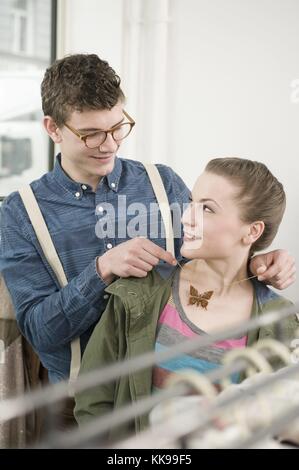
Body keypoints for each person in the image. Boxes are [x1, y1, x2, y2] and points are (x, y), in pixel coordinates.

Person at [0, 55, 295, 388]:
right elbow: (40, 331)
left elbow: (205, 263)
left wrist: (256, 261)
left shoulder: (163, 183)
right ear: (53, 128)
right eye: (91, 134)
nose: (109, 145)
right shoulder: (19, 213)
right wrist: (101, 271)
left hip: (159, 390)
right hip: (75, 404)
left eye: (117, 127)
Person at [74, 157, 299, 441]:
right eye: (192, 202)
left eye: (206, 209)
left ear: (252, 231)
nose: (186, 218)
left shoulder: (279, 320)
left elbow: (278, 424)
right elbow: (93, 398)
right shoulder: (140, 289)